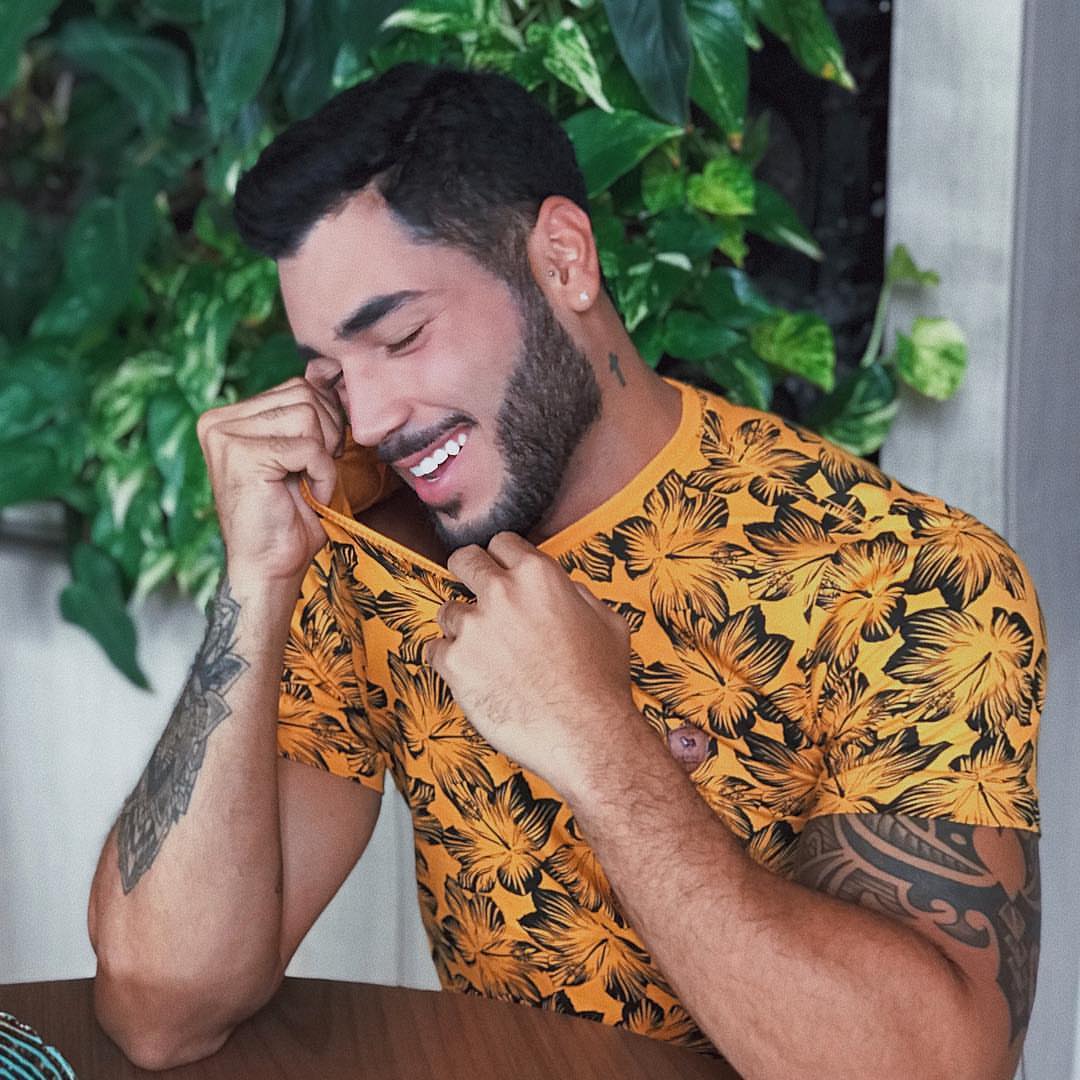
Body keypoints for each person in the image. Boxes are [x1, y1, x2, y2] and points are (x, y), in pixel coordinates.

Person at [87, 62, 1044, 1077]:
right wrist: (255, 581)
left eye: (401, 337)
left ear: (563, 260)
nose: (365, 421)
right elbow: (161, 1009)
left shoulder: (909, 579)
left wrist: (594, 739)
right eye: (331, 372)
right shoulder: (375, 554)